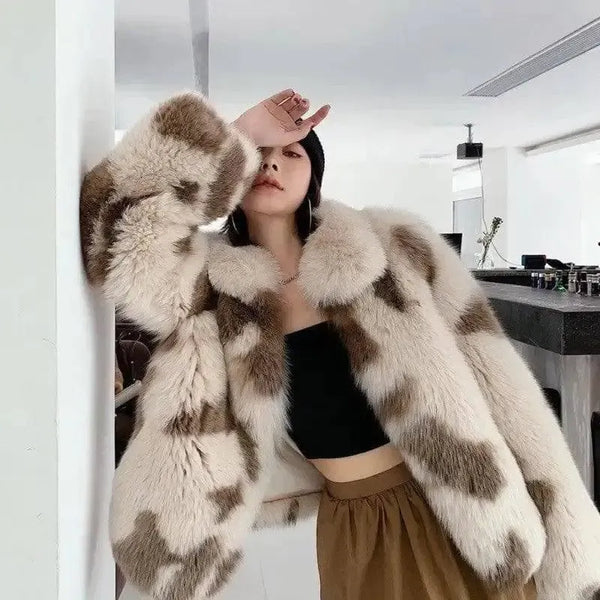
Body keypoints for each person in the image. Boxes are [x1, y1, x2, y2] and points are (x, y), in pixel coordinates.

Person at [80, 89, 600, 600]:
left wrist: (569, 536)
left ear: (314, 177)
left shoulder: (394, 248)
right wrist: (240, 132)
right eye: (259, 152)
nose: (272, 163)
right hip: (351, 520)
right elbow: (112, 227)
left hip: (458, 510)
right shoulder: (207, 288)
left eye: (292, 153)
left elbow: (503, 386)